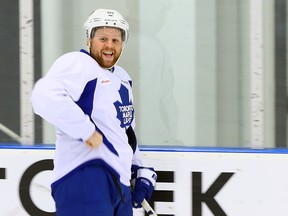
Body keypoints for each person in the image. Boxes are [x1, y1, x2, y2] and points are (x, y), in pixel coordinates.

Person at [31, 8, 157, 216]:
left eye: (116, 40)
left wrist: (136, 169)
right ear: (89, 39)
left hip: (119, 184)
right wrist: (86, 131)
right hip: (86, 175)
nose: (109, 45)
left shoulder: (123, 79)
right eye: (103, 38)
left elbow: (125, 132)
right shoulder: (78, 63)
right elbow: (43, 96)